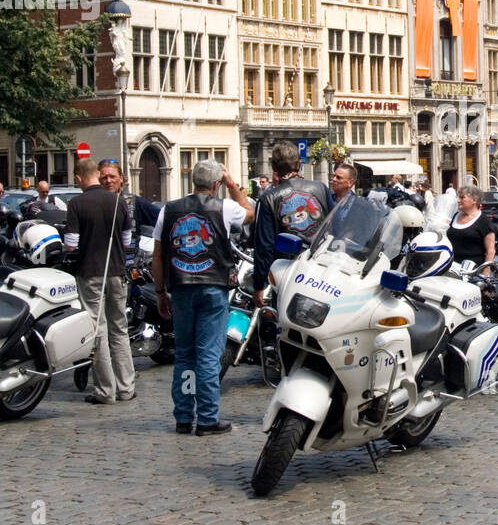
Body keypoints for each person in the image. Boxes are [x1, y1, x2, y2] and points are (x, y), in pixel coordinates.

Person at [152, 160, 253, 434]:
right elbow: (249, 212)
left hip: (181, 287)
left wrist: (160, 291)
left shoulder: (168, 210)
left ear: (192, 181)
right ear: (216, 185)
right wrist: (233, 185)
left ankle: (184, 417)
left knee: (184, 354)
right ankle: (208, 418)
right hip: (213, 286)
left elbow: (158, 256)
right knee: (209, 356)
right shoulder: (225, 207)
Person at [64, 158, 136, 405]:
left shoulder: (76, 203)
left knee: (97, 331)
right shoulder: (119, 202)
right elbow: (127, 241)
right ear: (97, 174)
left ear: (78, 178)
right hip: (117, 271)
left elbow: (71, 244)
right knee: (120, 329)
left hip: (90, 273)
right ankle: (126, 387)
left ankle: (106, 390)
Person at [252, 141, 331, 307]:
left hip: (286, 272)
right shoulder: (320, 188)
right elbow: (336, 227)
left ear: (274, 167)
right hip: (319, 271)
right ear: (299, 164)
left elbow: (264, 246)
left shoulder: (269, 197)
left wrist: (259, 285)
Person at [98, 159, 160, 235]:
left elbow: (163, 220)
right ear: (99, 180)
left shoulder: (134, 202)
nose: (108, 181)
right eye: (104, 177)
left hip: (130, 246)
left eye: (112, 176)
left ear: (121, 178)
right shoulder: (93, 203)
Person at [448, 185, 496, 271]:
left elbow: (490, 251)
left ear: (474, 200)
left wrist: (485, 275)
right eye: (459, 197)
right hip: (452, 267)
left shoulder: (483, 220)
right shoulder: (455, 216)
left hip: (472, 271)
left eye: (462, 198)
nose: (459, 200)